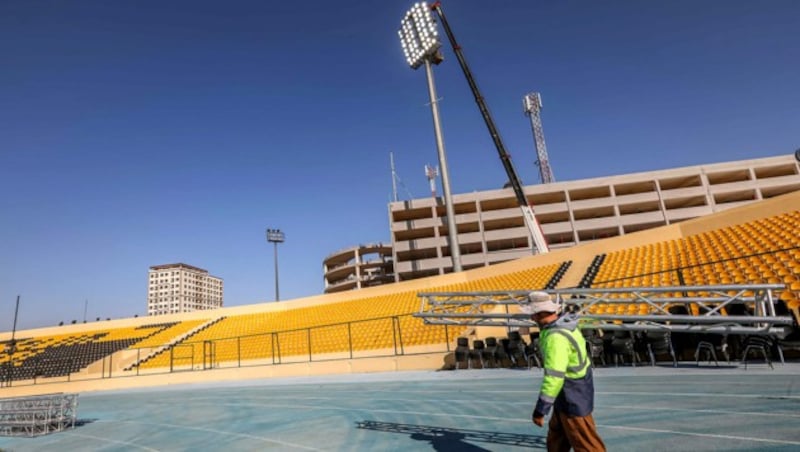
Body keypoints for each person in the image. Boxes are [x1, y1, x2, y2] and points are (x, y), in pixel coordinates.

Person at [521, 291, 606, 452]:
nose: (532, 319)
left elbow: (554, 377)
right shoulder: (565, 324)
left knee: (586, 443)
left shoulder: (555, 337)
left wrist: (540, 410)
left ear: (541, 313)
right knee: (556, 439)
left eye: (534, 315)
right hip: (571, 391)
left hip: (571, 394)